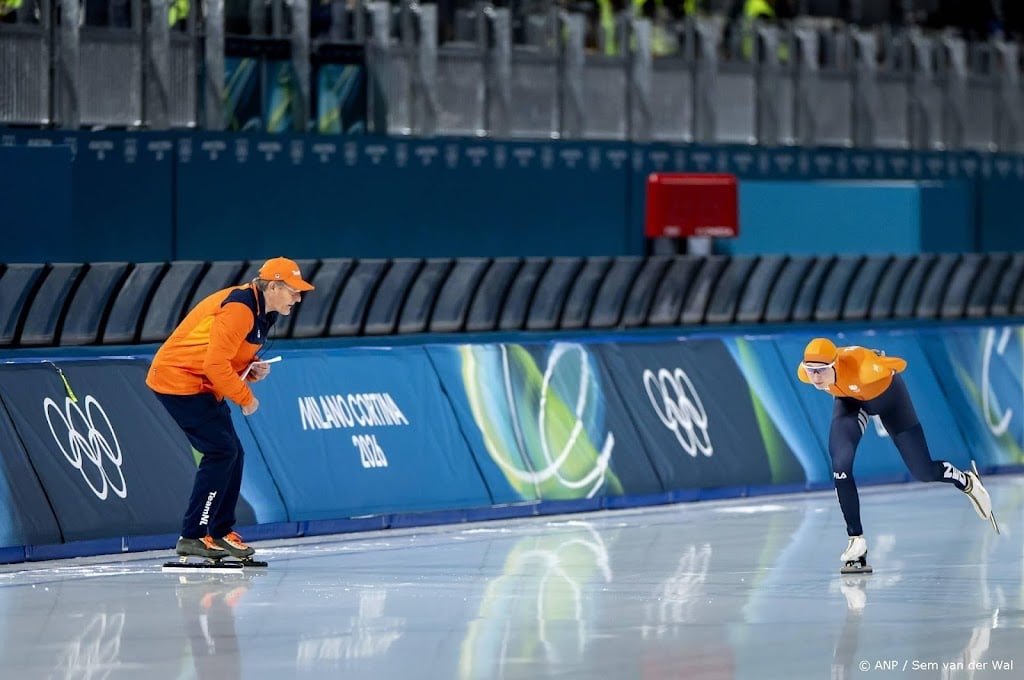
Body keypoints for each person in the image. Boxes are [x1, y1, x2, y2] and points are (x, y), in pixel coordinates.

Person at [147, 257, 314, 562]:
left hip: (202, 383)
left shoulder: (265, 313)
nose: (299, 297)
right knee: (221, 451)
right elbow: (213, 364)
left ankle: (220, 532)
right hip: (178, 379)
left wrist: (249, 370)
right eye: (294, 291)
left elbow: (225, 356)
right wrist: (245, 397)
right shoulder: (240, 309)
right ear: (274, 286)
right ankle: (194, 536)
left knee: (232, 452)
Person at [797, 337, 993, 574]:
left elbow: (899, 364)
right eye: (811, 371)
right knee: (840, 464)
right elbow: (815, 370)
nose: (815, 377)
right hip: (851, 402)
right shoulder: (806, 373)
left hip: (890, 401)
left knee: (924, 472)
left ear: (835, 364)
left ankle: (966, 481)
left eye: (821, 371)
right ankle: (856, 540)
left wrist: (878, 358)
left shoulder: (865, 368)